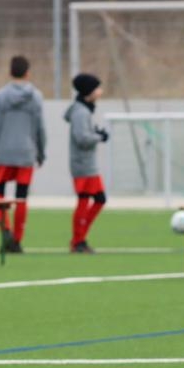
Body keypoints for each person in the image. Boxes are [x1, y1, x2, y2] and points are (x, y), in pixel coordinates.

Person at [0, 55, 46, 253]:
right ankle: (17, 240)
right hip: (26, 153)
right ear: (28, 73)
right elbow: (40, 128)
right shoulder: (36, 97)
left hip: (3, 153)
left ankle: (6, 231)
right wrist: (41, 152)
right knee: (21, 199)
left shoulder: (1, 96)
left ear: (10, 72)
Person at [64, 73, 109, 254]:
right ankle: (78, 241)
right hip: (83, 165)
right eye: (97, 88)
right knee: (85, 201)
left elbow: (84, 134)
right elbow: (82, 138)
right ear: (89, 91)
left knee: (98, 199)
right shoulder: (81, 112)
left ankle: (80, 238)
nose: (100, 91)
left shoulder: (84, 110)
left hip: (88, 164)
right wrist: (99, 137)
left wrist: (95, 133)